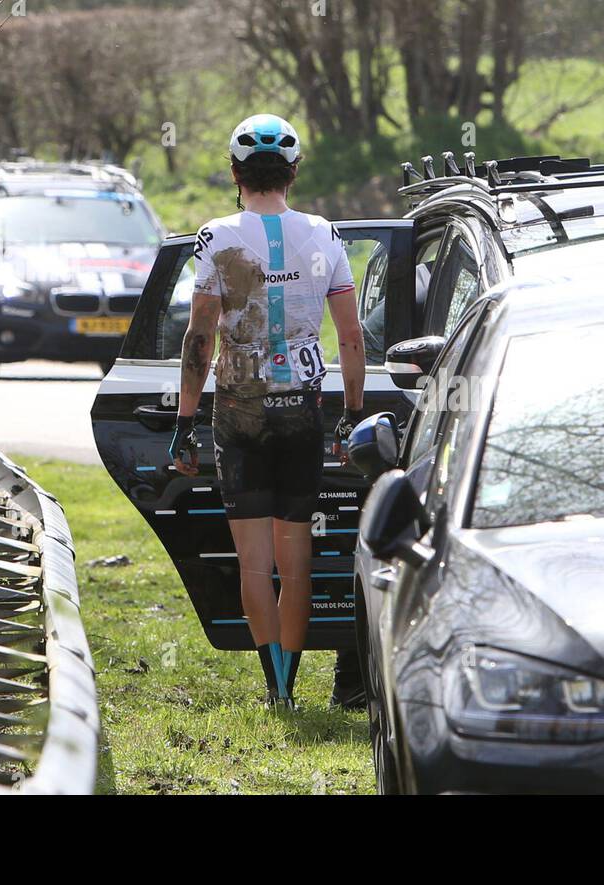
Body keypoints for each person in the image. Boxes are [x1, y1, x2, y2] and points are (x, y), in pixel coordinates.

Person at [169, 113, 366, 709]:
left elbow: (200, 339)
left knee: (254, 560)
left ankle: (275, 689)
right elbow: (352, 338)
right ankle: (294, 679)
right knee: (295, 555)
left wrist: (183, 424)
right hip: (302, 408)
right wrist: (352, 416)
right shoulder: (325, 234)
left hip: (239, 407)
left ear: (235, 172)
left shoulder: (216, 236)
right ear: (293, 172)